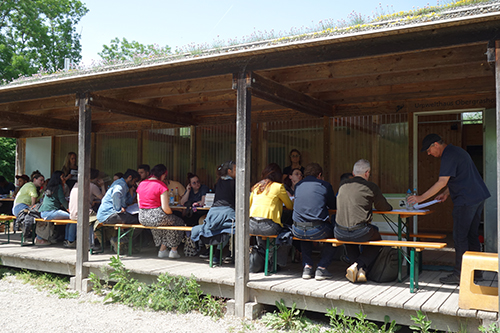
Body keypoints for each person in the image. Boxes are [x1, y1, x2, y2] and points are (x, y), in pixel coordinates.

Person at [407, 134, 491, 285]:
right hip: (477, 197)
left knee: (460, 237)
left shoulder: (448, 155)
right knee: (472, 237)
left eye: (428, 150)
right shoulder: (457, 151)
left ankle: (460, 274)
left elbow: (442, 181)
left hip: (466, 200)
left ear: (435, 145)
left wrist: (420, 198)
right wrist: (446, 193)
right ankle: (476, 273)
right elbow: (460, 178)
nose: (428, 153)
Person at [335, 159, 392, 283]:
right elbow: (383, 207)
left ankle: (360, 270)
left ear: (353, 173)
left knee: (349, 239)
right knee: (377, 239)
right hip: (360, 231)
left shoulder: (343, 185)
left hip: (339, 231)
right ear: (367, 173)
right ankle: (358, 265)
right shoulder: (370, 186)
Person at [292, 163, 336, 280]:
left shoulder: (298, 185)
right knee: (336, 234)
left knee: (304, 230)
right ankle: (322, 268)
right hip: (317, 229)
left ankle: (307, 267)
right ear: (320, 175)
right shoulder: (325, 185)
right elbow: (333, 205)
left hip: (296, 229)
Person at [191, 161, 236, 264]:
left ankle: (214, 253)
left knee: (219, 229)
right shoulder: (234, 183)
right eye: (236, 169)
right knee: (229, 229)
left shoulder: (219, 182)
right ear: (229, 171)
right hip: (227, 212)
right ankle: (226, 252)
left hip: (213, 212)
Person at [136, 164, 185, 259]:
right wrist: (171, 213)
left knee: (166, 225)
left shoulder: (141, 184)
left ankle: (162, 250)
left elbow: (139, 204)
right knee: (178, 222)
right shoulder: (160, 185)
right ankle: (173, 251)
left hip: (142, 217)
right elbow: (165, 208)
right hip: (156, 216)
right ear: (162, 175)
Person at [249, 163, 293, 267]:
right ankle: (277, 263)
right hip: (268, 226)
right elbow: (290, 206)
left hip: (251, 225)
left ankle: (261, 261)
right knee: (287, 234)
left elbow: (250, 205)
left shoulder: (256, 187)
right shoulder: (278, 187)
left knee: (261, 235)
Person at [67, 168, 106, 248]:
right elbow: (104, 199)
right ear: (96, 178)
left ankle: (71, 241)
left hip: (72, 214)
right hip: (84, 214)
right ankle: (95, 243)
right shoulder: (92, 186)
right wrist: (102, 186)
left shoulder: (76, 184)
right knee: (101, 219)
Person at [38, 171, 71, 246]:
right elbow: (62, 200)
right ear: (58, 178)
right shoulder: (59, 186)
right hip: (51, 212)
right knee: (73, 217)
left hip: (43, 212)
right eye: (62, 176)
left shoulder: (50, 186)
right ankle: (69, 240)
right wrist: (69, 210)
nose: (64, 178)